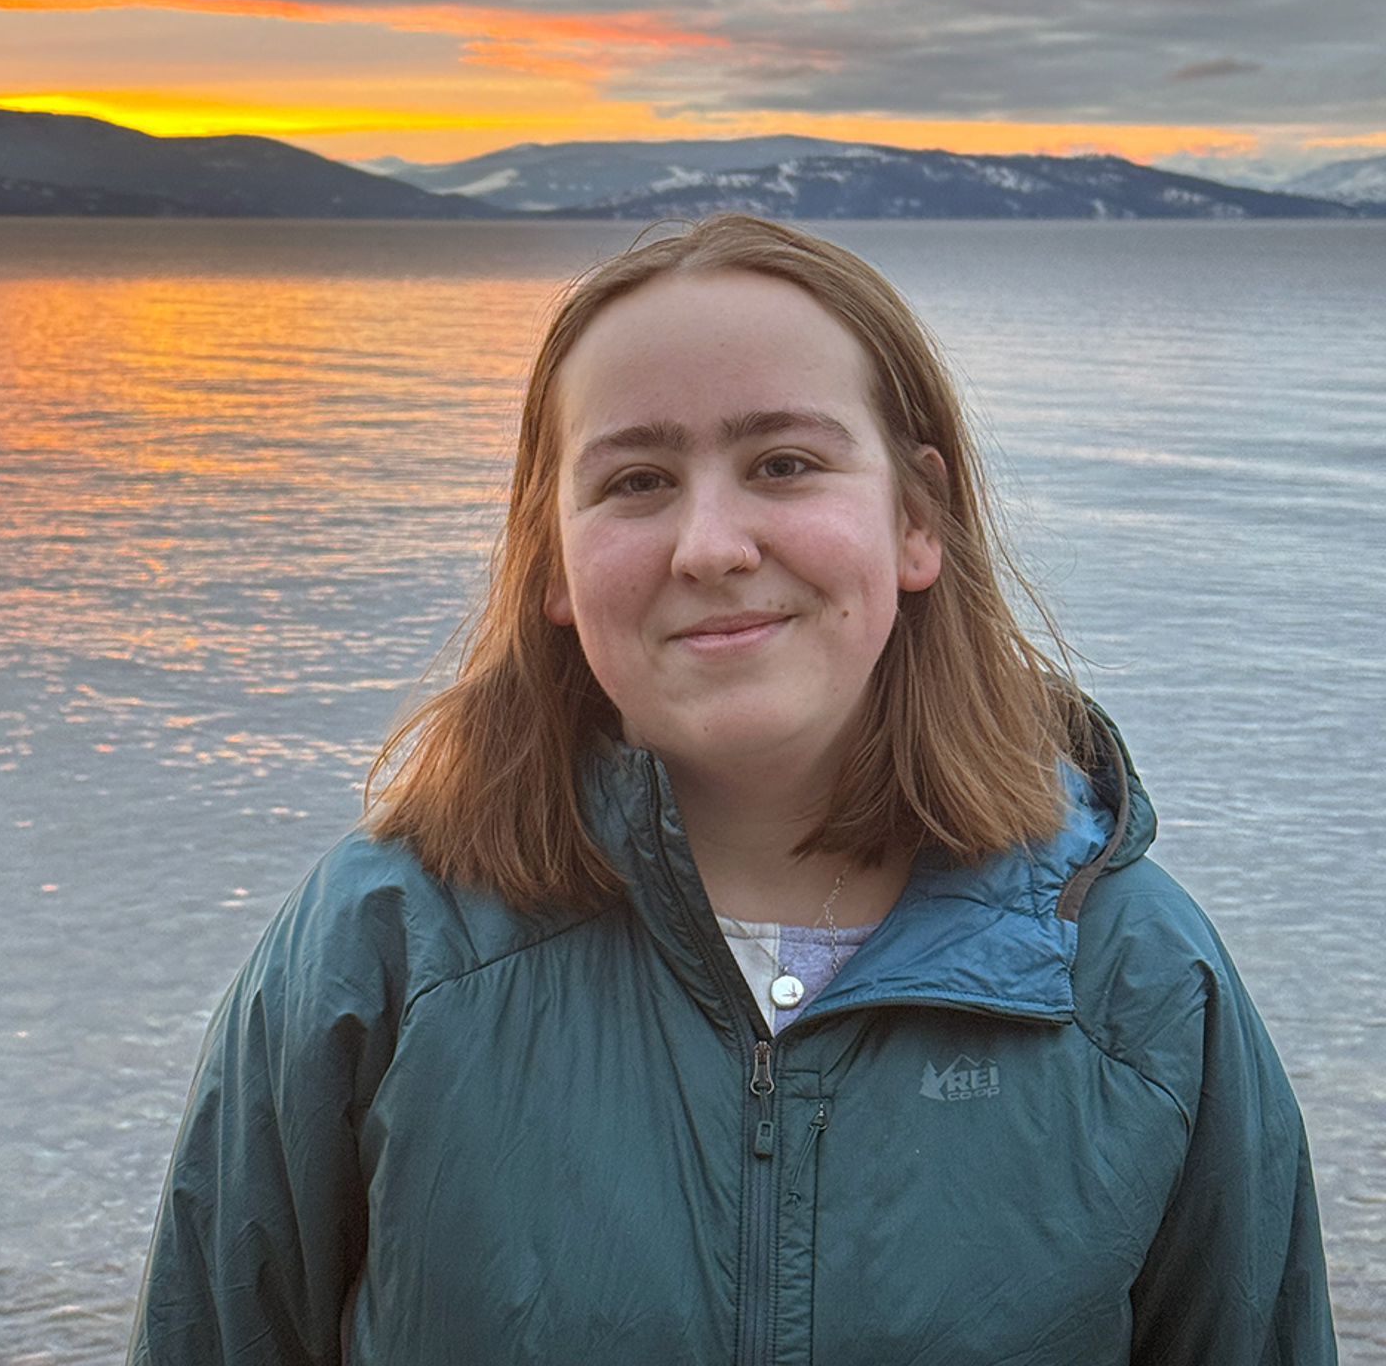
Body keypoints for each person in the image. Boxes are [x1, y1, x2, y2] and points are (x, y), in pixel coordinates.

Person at [127, 214, 1335, 1365]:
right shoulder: (382, 948)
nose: (710, 543)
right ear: (552, 561)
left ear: (917, 521)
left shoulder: (1136, 980)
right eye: (637, 482)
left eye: (785, 462)